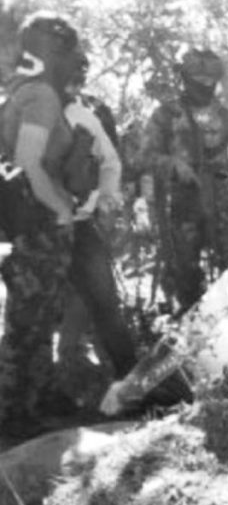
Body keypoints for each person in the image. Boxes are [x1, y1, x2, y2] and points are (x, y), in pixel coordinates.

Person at [0, 12, 83, 433]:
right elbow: (29, 162)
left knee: (40, 314)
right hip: (38, 222)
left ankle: (36, 398)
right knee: (27, 321)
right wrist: (62, 209)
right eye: (68, 50)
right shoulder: (40, 97)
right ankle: (14, 412)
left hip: (35, 220)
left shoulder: (27, 90)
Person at [141, 48, 228, 313]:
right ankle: (190, 321)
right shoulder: (166, 115)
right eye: (198, 81)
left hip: (221, 201)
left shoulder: (224, 116)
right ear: (185, 80)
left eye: (209, 82)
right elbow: (145, 155)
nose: (204, 87)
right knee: (185, 270)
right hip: (182, 201)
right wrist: (174, 165)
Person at [58, 46, 138, 382]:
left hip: (79, 225)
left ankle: (128, 378)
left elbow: (110, 162)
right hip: (35, 230)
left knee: (104, 302)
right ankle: (35, 387)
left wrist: (106, 203)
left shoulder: (85, 115)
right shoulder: (22, 109)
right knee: (32, 312)